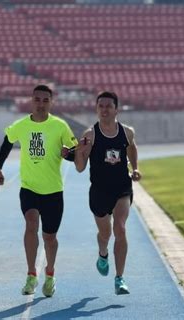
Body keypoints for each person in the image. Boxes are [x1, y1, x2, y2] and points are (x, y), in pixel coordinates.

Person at [0, 85, 77, 297]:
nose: (41, 104)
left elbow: (73, 152)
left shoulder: (60, 126)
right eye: (37, 100)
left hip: (53, 191)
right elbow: (7, 142)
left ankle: (50, 274)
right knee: (31, 224)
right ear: (32, 101)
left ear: (51, 102)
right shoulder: (21, 125)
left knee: (50, 237)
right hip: (29, 188)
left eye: (45, 100)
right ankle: (31, 274)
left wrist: (68, 154)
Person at [74, 91, 141, 295]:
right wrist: (78, 151)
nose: (104, 110)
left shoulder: (127, 132)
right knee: (106, 233)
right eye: (100, 106)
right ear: (96, 109)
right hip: (99, 191)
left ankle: (119, 278)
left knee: (120, 228)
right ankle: (103, 254)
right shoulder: (90, 135)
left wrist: (135, 168)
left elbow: (132, 148)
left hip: (122, 188)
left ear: (116, 109)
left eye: (108, 106)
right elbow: (79, 167)